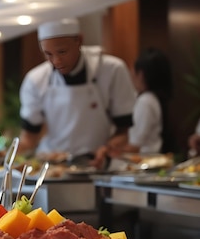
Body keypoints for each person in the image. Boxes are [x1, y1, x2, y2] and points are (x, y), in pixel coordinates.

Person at [19, 18, 136, 167]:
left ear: (79, 40)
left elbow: (123, 132)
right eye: (48, 54)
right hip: (52, 167)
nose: (56, 61)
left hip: (97, 165)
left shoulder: (112, 70)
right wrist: (9, 157)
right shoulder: (35, 80)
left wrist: (107, 149)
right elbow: (29, 137)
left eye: (62, 52)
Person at [121, 48, 173, 154]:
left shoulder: (146, 102)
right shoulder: (153, 99)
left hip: (144, 163)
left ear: (141, 74)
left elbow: (135, 145)